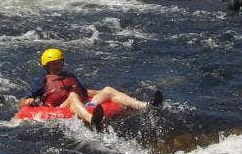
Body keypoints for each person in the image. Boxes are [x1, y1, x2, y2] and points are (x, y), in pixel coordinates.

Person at [20, 48, 162, 128]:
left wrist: (106, 93)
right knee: (73, 96)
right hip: (61, 108)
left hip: (81, 104)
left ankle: (146, 106)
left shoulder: (70, 76)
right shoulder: (41, 81)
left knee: (108, 89)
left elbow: (84, 92)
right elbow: (23, 101)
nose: (57, 66)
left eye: (59, 63)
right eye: (53, 64)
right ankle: (91, 119)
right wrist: (27, 101)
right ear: (46, 66)